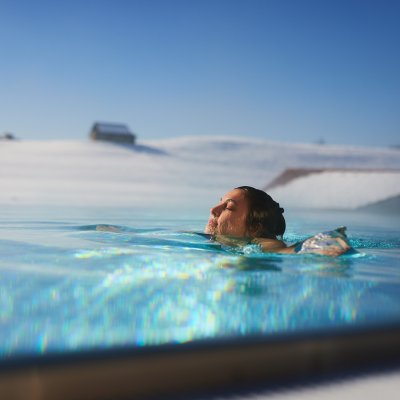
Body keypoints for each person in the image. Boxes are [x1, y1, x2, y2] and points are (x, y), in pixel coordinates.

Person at [205, 186, 351, 257]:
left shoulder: (261, 244)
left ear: (255, 228)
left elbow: (279, 248)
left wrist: (320, 247)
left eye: (229, 207)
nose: (213, 209)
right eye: (220, 203)